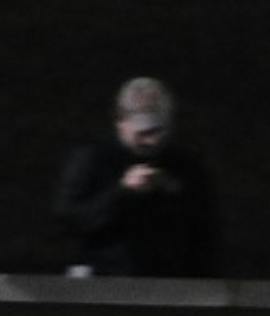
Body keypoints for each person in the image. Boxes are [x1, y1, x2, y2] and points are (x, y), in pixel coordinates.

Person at [53, 76, 221, 278]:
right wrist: (123, 191)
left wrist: (172, 191)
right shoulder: (93, 160)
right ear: (120, 121)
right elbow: (68, 220)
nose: (153, 141)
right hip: (103, 280)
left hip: (168, 282)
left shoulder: (184, 166)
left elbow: (205, 229)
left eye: (159, 131)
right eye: (144, 133)